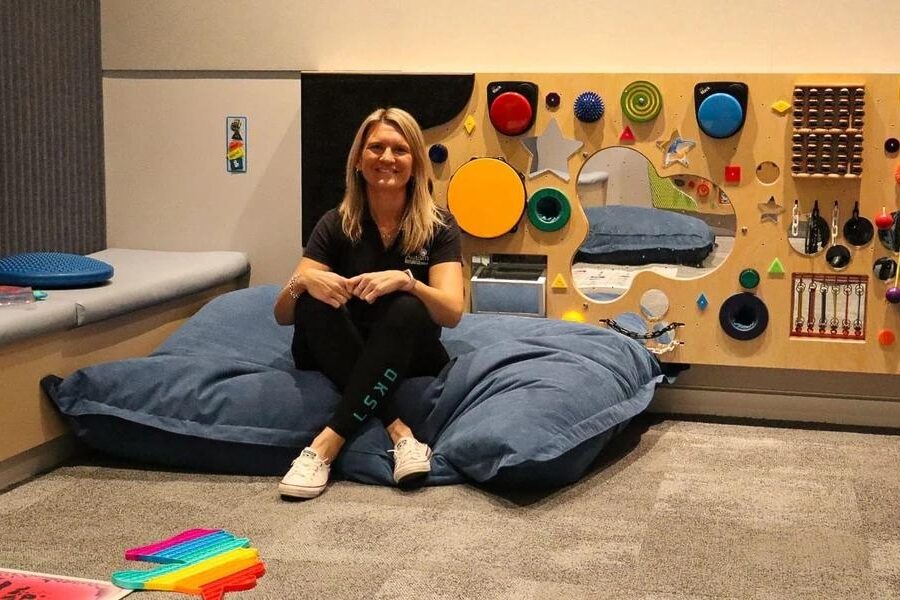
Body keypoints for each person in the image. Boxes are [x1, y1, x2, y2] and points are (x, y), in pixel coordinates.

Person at [273, 107, 464, 499]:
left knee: (408, 307)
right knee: (310, 303)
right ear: (359, 160)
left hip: (409, 349)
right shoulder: (334, 222)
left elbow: (452, 312)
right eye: (376, 147)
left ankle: (325, 444)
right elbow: (282, 314)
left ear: (416, 162)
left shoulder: (440, 226)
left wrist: (410, 283)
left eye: (400, 149)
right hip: (344, 345)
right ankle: (400, 431)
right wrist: (302, 281)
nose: (387, 159)